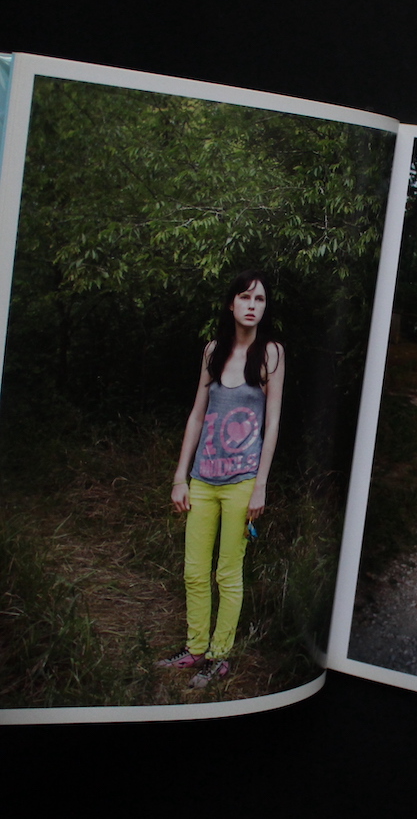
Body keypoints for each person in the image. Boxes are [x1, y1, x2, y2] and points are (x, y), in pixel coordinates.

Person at [157, 270, 285, 689]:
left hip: (242, 482)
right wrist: (180, 477)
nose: (252, 305)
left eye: (260, 299)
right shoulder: (213, 351)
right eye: (245, 297)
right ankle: (195, 648)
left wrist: (261, 484)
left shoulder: (271, 354)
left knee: (227, 573)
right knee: (194, 570)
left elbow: (272, 423)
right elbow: (197, 415)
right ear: (231, 304)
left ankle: (219, 656)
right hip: (203, 480)